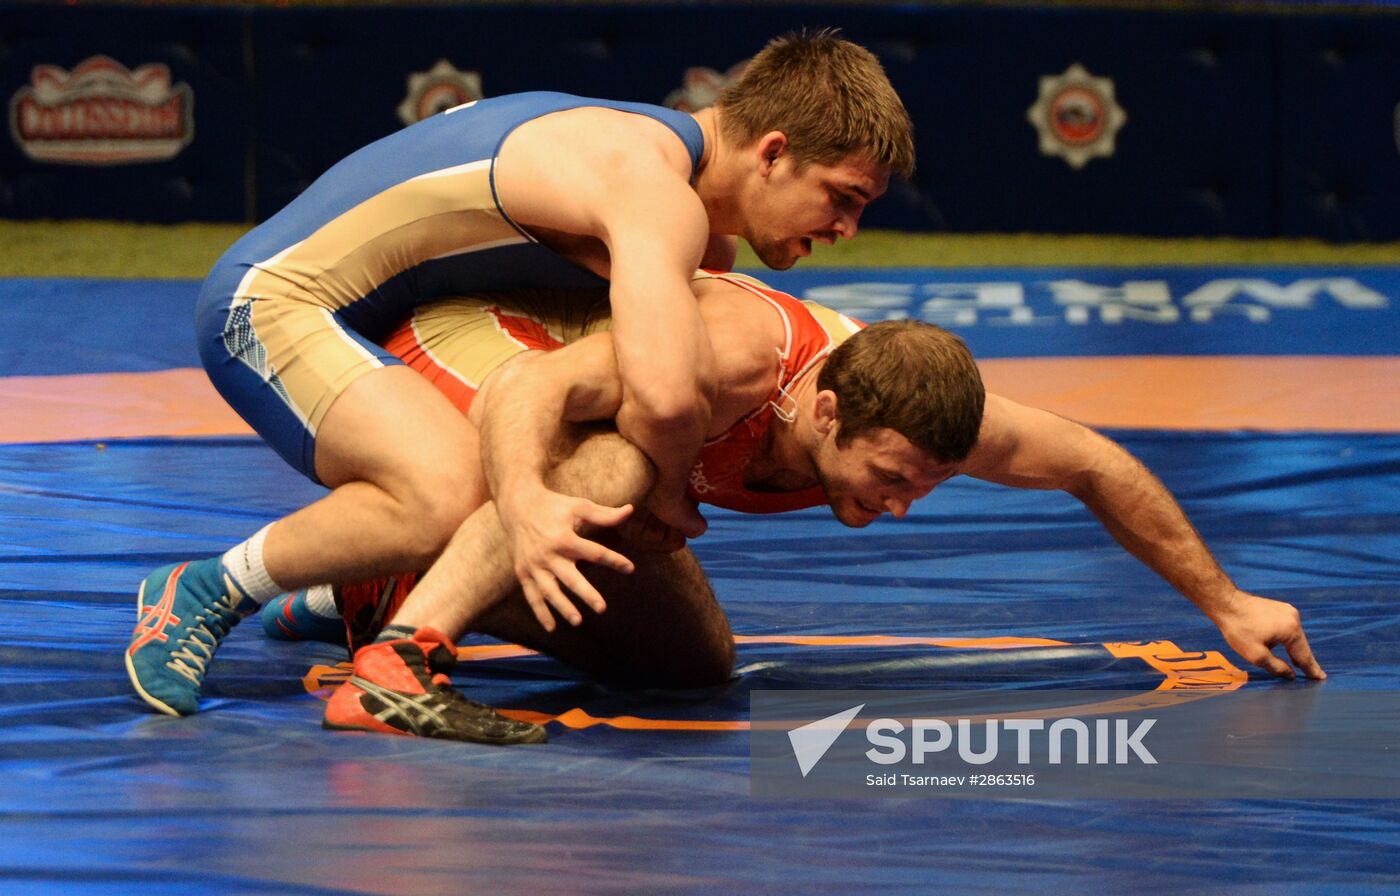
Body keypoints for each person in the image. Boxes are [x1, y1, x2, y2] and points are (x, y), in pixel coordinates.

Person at [124, 30, 916, 720]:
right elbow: (670, 397)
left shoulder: (689, 221)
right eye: (841, 197)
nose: (846, 229)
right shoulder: (648, 186)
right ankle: (205, 589)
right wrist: (666, 491)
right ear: (773, 152)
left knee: (559, 486)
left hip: (383, 319)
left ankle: (355, 585)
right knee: (459, 492)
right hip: (272, 303)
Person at [264, 270, 1323, 745]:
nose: (901, 506)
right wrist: (520, 495)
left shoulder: (915, 408)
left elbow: (1093, 462)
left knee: (689, 661)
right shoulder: (729, 355)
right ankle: (397, 654)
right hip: (478, 345)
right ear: (821, 409)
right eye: (891, 477)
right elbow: (531, 392)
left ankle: (364, 580)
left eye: (922, 484)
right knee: (623, 466)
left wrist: (1224, 602)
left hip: (557, 396)